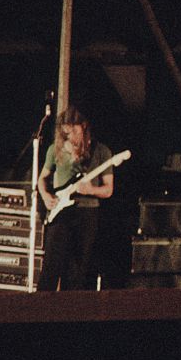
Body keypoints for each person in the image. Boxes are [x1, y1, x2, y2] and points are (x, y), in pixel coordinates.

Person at [37, 105, 114, 291]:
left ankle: (69, 307)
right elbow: (42, 179)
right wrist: (46, 196)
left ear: (84, 126)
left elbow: (108, 190)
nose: (70, 136)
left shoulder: (101, 151)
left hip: (87, 213)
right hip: (60, 213)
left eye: (74, 131)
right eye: (66, 133)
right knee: (51, 266)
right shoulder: (54, 150)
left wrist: (90, 190)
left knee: (76, 270)